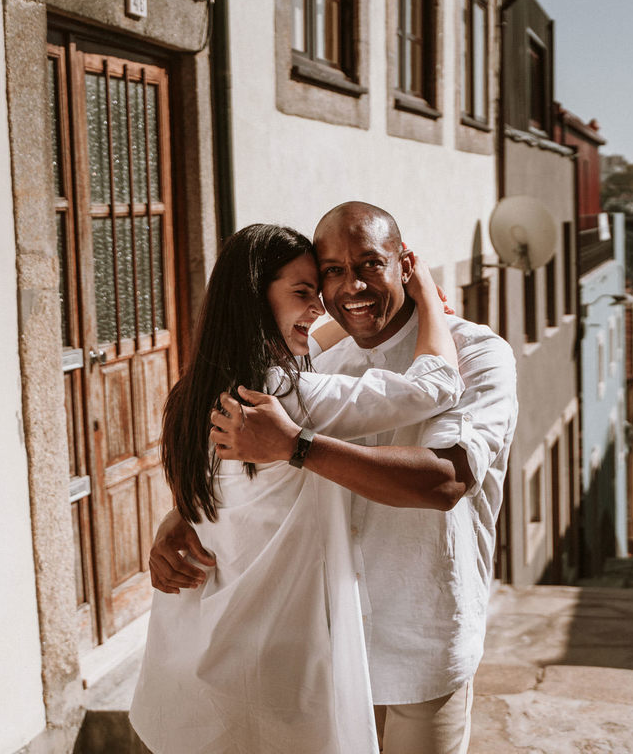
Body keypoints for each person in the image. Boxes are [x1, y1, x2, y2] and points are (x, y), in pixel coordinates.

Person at [150, 202, 518, 754]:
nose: (350, 287)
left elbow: (443, 481)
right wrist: (183, 515)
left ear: (405, 265)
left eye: (370, 264)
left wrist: (297, 447)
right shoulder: (313, 366)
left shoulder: (477, 353)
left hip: (422, 640)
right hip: (325, 648)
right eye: (331, 273)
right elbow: (246, 468)